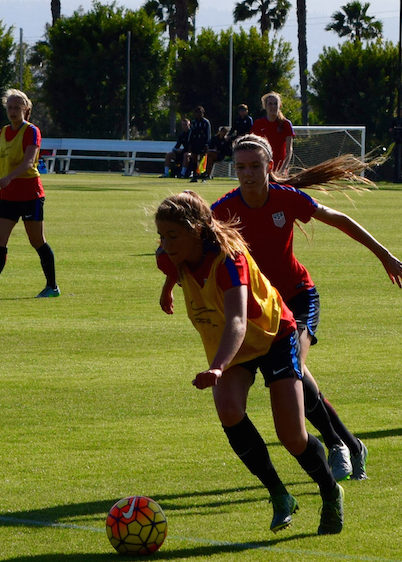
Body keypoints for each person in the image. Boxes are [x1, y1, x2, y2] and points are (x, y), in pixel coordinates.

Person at [207, 133, 402, 481]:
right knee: (294, 374)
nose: (247, 173)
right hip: (262, 310)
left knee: (295, 368)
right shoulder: (224, 210)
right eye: (241, 166)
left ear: (269, 166)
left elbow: (339, 219)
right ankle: (350, 443)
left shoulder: (286, 198)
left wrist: (385, 256)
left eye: (255, 166)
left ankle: (336, 445)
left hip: (298, 297)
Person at [154, 190, 344, 535]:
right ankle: (279, 495)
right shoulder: (170, 254)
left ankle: (331, 491)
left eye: (173, 235)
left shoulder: (229, 259)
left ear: (197, 229)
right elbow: (171, 264)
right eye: (161, 236)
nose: (165, 244)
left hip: (273, 336)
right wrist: (168, 287)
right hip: (232, 350)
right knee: (228, 408)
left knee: (292, 436)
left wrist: (217, 367)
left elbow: (238, 321)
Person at [0, 89, 60, 299]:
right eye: (10, 107)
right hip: (8, 195)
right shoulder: (4, 131)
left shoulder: (31, 131)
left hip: (30, 193)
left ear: (26, 109)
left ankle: (52, 286)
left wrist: (7, 178)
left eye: (17, 107)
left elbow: (28, 162)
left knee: (37, 241)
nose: (13, 111)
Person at [251, 92, 296, 175]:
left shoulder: (285, 124)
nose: (273, 106)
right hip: (262, 169)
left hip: (279, 171)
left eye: (276, 104)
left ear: (280, 105)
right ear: (265, 106)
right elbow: (254, 149)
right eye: (270, 104)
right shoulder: (258, 124)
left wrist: (282, 169)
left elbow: (289, 150)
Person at [185, 106, 212, 182]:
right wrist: (190, 143)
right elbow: (191, 133)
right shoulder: (194, 123)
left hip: (203, 143)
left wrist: (207, 144)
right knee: (194, 160)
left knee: (203, 160)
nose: (199, 114)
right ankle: (195, 175)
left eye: (201, 113)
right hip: (195, 143)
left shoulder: (206, 122)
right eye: (197, 113)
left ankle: (203, 176)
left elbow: (208, 134)